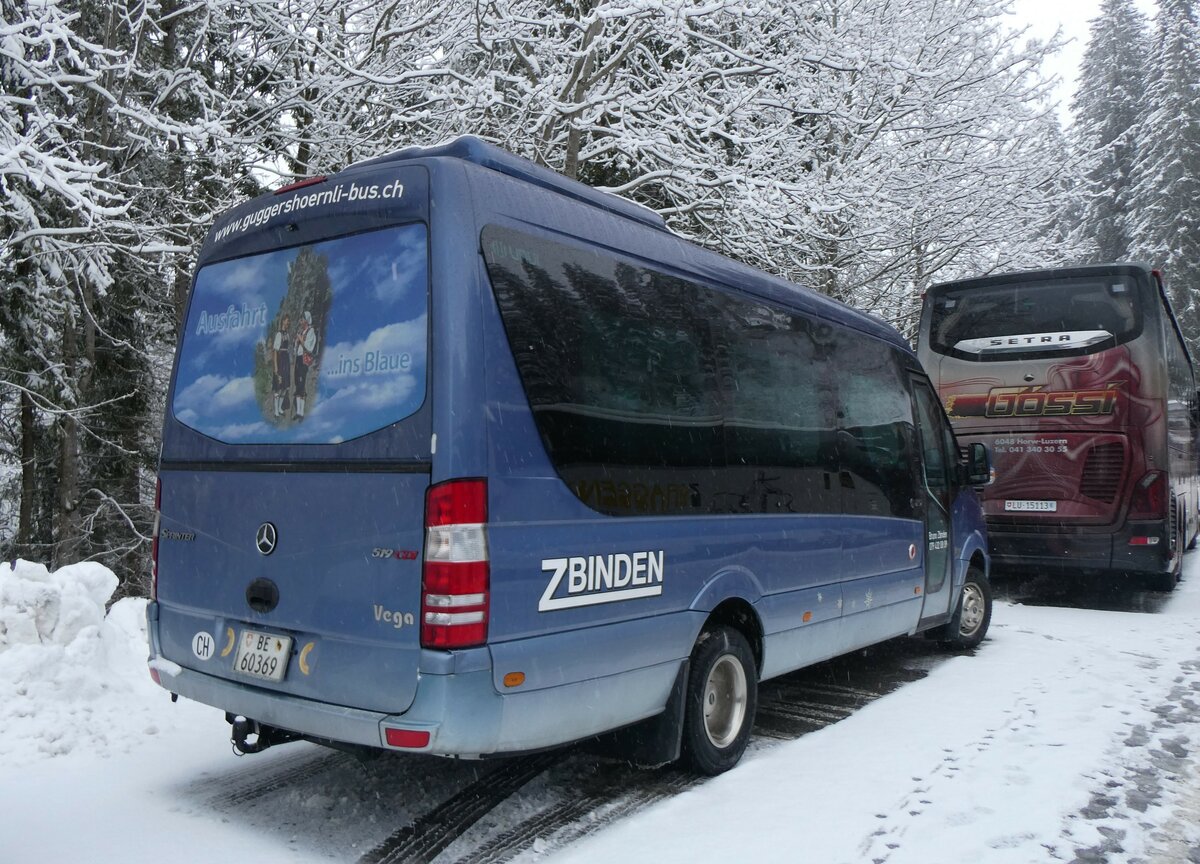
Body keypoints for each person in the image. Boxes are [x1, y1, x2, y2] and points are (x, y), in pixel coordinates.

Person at [293, 310, 318, 418]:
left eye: (302, 319)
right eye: (300, 319)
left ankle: (301, 412)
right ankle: (298, 412)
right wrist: (296, 342)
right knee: (297, 383)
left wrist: (300, 340)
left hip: (304, 360)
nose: (300, 321)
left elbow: (308, 348)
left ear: (306, 321)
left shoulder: (311, 331)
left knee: (302, 383)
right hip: (298, 359)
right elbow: (296, 349)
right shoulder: (302, 332)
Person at [272, 314, 291, 418]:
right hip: (280, 361)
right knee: (278, 387)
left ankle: (280, 408)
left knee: (285, 387)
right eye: (287, 321)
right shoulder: (279, 334)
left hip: (286, 360)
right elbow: (275, 351)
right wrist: (276, 368)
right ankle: (275, 411)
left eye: (289, 321)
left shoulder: (287, 334)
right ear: (283, 321)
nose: (288, 323)